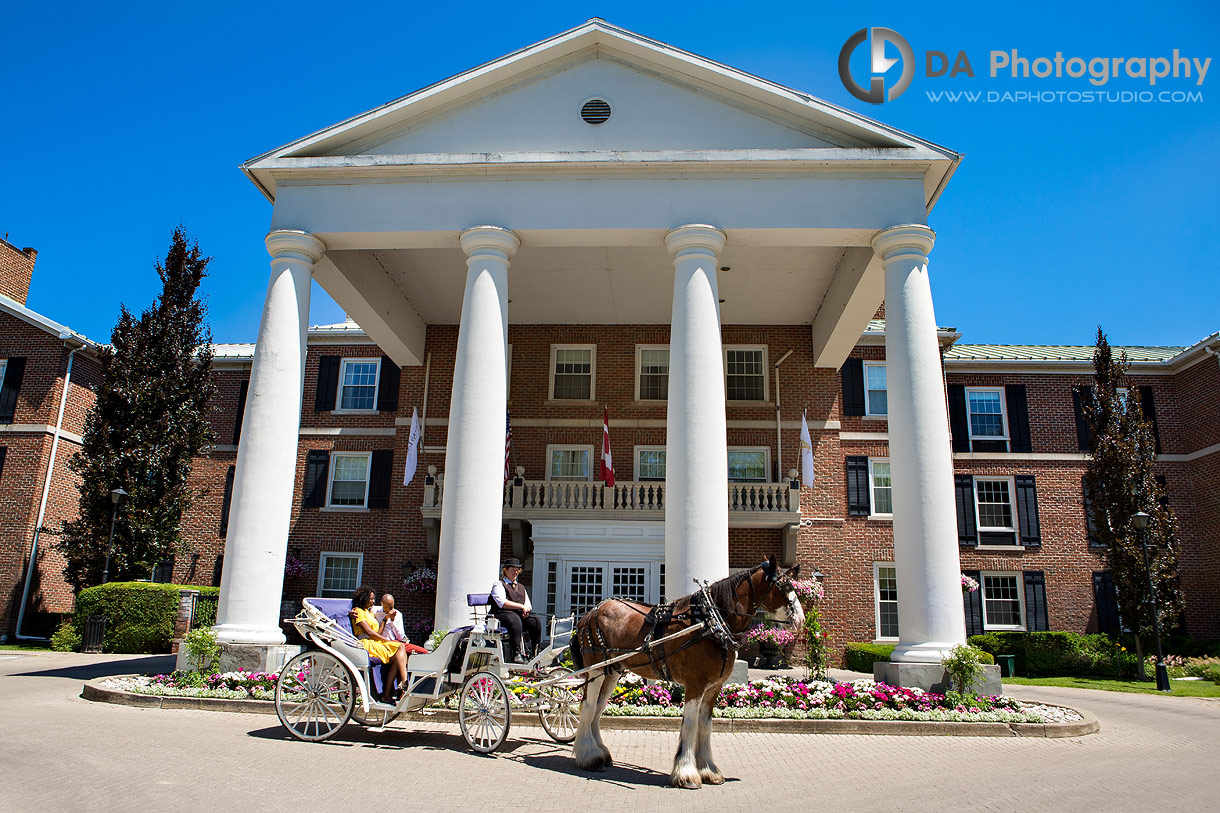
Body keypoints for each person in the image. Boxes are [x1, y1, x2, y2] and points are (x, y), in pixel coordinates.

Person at [348, 585, 413, 704]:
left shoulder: (369, 612)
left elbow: (376, 632)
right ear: (364, 598)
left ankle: (389, 693)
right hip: (366, 643)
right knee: (399, 648)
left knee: (398, 656)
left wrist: (385, 619)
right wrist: (385, 640)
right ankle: (404, 681)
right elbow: (368, 632)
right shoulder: (357, 612)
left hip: (375, 641)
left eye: (374, 599)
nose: (373, 601)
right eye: (371, 599)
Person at [490, 557, 541, 663]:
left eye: (517, 570)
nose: (516, 572)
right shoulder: (499, 585)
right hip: (500, 614)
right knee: (514, 619)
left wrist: (526, 610)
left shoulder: (521, 587)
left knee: (534, 619)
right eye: (513, 569)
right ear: (505, 570)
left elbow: (527, 604)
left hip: (516, 615)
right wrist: (521, 606)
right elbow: (502, 603)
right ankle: (516, 654)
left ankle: (536, 651)